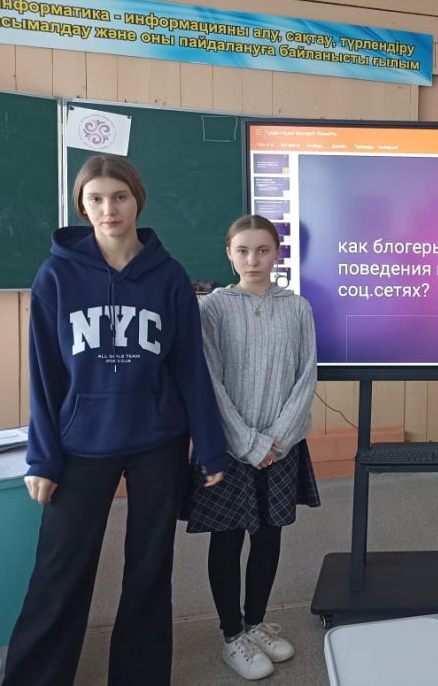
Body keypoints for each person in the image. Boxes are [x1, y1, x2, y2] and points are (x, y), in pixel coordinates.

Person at [4, 154, 227, 686]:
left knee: (149, 572)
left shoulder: (168, 276)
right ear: (82, 206)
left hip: (158, 441)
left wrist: (210, 444)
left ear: (137, 200)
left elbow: (190, 367)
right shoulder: (57, 275)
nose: (110, 209)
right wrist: (43, 457)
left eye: (120, 197)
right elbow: (44, 373)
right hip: (81, 443)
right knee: (60, 572)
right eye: (97, 199)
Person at [185, 214, 320, 681]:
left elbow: (306, 376)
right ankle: (231, 636)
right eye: (243, 250)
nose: (253, 259)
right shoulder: (213, 308)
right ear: (229, 254)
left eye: (263, 250)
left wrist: (277, 440)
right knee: (227, 540)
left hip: (282, 446)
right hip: (229, 446)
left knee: (269, 536)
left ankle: (255, 622)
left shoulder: (297, 307)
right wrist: (248, 442)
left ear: (277, 253)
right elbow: (209, 380)